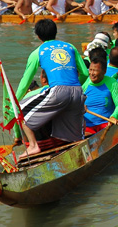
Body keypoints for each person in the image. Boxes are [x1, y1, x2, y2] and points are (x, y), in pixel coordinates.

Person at [15, 19, 89, 157]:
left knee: (20, 110)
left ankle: (33, 146)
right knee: (76, 138)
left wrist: (13, 103)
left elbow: (25, 84)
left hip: (58, 92)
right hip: (78, 92)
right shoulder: (70, 46)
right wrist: (75, 86)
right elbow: (85, 73)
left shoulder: (37, 52)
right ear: (56, 32)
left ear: (38, 36)